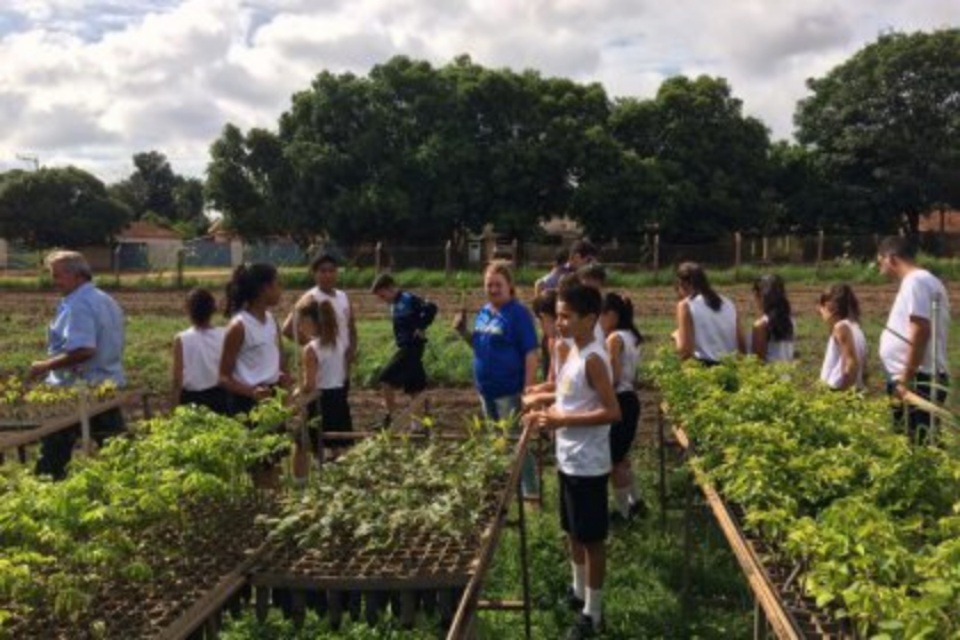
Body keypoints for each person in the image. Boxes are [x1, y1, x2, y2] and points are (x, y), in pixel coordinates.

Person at [528, 281, 620, 639]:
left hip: (588, 464)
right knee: (573, 532)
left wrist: (562, 420)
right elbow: (569, 401)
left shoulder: (595, 358)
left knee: (592, 540)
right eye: (559, 315)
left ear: (589, 318)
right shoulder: (573, 353)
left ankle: (593, 615)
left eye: (567, 316)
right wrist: (543, 411)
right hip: (568, 458)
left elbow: (612, 412)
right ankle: (577, 592)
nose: (560, 322)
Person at [28, 250, 126, 480]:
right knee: (118, 452)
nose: (54, 282)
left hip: (77, 390)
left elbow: (84, 349)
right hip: (106, 386)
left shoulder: (78, 305)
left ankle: (46, 504)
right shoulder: (105, 299)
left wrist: (44, 366)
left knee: (52, 459)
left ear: (78, 275)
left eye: (58, 276)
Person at [454, 261, 539, 498]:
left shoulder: (519, 314)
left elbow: (531, 354)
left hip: (509, 390)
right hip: (486, 390)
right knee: (496, 442)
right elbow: (479, 346)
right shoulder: (484, 312)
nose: (492, 289)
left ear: (509, 286)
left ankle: (530, 495)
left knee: (516, 443)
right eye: (489, 285)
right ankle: (505, 489)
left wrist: (528, 391)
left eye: (497, 284)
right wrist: (463, 332)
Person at [876, 236, 951, 442]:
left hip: (918, 379)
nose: (879, 266)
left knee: (919, 447)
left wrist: (905, 378)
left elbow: (921, 329)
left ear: (891, 258)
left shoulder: (915, 281)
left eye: (880, 260)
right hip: (916, 377)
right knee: (913, 442)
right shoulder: (924, 280)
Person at [283, 253, 356, 430]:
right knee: (319, 417)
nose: (328, 275)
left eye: (331, 271)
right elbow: (287, 329)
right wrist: (316, 348)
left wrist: (351, 351)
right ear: (314, 274)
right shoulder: (310, 298)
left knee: (338, 409)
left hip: (341, 362)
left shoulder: (342, 296)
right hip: (322, 367)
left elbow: (351, 326)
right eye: (322, 271)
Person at [600, 292, 646, 523]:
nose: (599, 320)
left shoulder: (614, 339)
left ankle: (622, 513)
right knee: (621, 457)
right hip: (632, 399)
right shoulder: (632, 336)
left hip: (619, 399)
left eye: (601, 315)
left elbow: (614, 377)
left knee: (613, 461)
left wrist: (597, 390)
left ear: (612, 315)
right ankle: (636, 502)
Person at [371, 273, 438, 430]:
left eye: (382, 295)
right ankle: (419, 426)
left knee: (385, 379)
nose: (382, 299)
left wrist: (421, 327)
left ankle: (392, 417)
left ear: (390, 288)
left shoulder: (408, 299)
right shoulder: (395, 304)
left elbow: (431, 308)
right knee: (415, 388)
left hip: (411, 348)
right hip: (408, 348)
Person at [293, 298, 348, 477]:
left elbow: (310, 384)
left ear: (311, 322)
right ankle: (341, 482)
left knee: (302, 444)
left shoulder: (311, 349)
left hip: (320, 401)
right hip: (339, 399)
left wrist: (295, 393)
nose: (300, 327)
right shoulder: (338, 343)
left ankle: (300, 484)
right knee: (338, 446)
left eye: (302, 322)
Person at [673, 262, 744, 364]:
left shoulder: (685, 305)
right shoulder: (728, 303)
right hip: (731, 366)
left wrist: (677, 336)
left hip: (704, 369)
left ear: (683, 284)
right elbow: (741, 346)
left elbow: (685, 352)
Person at [171, 288, 227, 414]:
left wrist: (173, 409)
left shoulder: (181, 339)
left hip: (191, 400)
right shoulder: (224, 334)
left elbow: (177, 380)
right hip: (220, 397)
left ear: (188, 310)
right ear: (212, 310)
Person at [818, 284, 868, 391]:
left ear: (830, 306)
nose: (820, 311)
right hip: (855, 388)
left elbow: (851, 363)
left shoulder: (841, 327)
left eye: (822, 306)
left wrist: (843, 392)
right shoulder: (856, 327)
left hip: (837, 389)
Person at [749, 274, 795, 363]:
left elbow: (757, 362)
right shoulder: (790, 320)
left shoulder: (760, 325)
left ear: (760, 296)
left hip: (769, 375)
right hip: (786, 373)